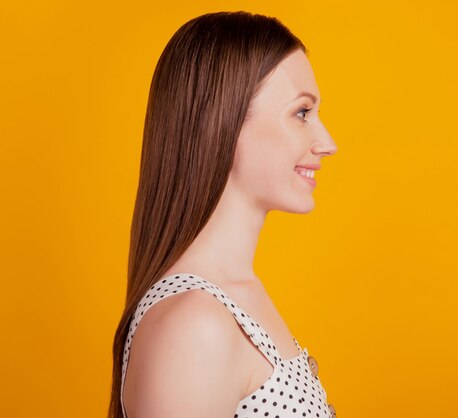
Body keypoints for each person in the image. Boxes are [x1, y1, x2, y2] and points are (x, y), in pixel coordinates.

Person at [107, 10, 338, 418]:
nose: (327, 142)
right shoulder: (194, 328)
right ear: (224, 123)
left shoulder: (236, 298)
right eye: (302, 113)